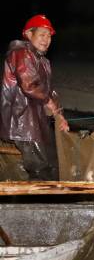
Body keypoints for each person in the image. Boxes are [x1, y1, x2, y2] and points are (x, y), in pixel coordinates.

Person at [0, 14, 69, 180]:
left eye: (49, 36)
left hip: (37, 124)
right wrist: (48, 101)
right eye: (42, 35)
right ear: (29, 34)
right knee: (40, 169)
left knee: (52, 165)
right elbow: (29, 85)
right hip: (22, 123)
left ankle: (45, 201)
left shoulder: (44, 62)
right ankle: (35, 204)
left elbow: (50, 92)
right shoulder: (21, 53)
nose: (46, 40)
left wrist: (60, 116)